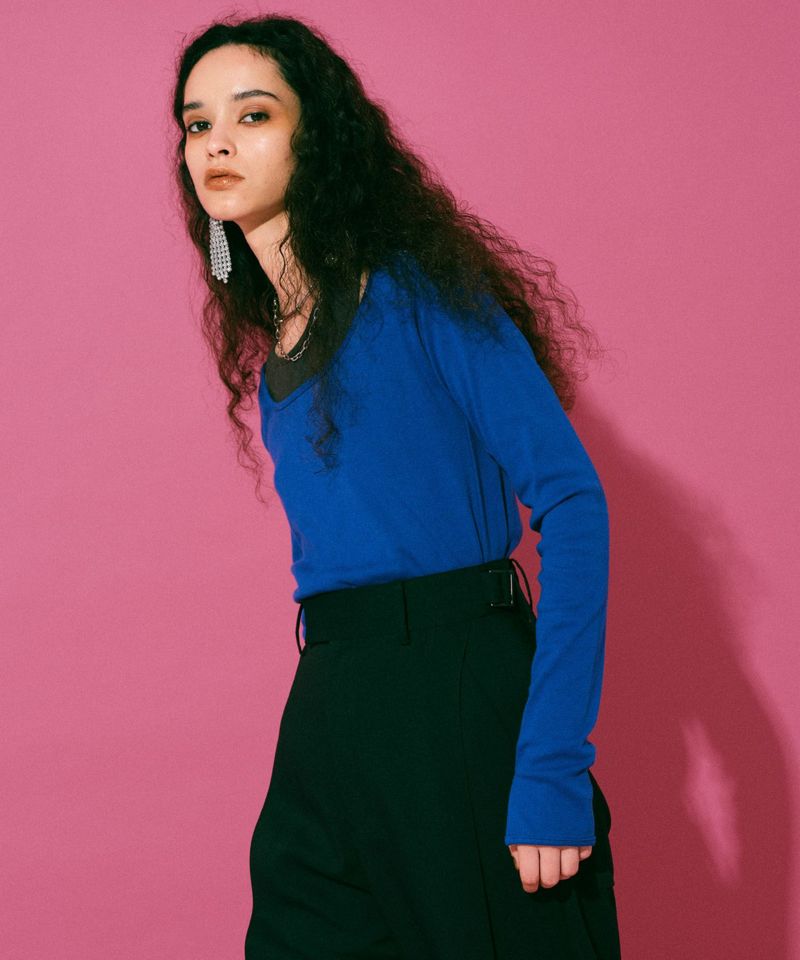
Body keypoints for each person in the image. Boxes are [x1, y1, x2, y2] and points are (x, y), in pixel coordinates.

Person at [171, 13, 622, 960]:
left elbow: (575, 504)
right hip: (332, 703)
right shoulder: (275, 353)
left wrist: (551, 766)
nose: (216, 142)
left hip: (457, 691)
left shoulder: (419, 293)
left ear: (320, 138)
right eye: (197, 122)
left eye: (252, 115)